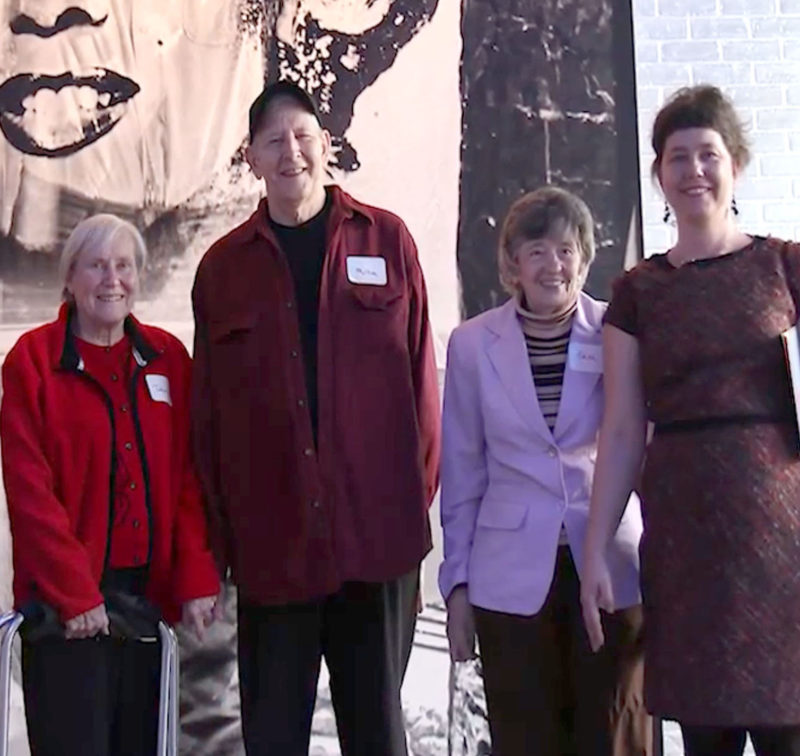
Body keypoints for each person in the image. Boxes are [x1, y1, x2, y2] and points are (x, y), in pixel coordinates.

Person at [191, 79, 441, 756]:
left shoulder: (387, 239)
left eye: (302, 136)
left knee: (378, 736)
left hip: (377, 545)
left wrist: (405, 506)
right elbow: (207, 419)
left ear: (325, 146)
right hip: (273, 547)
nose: (290, 152)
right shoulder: (222, 270)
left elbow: (423, 390)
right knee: (273, 738)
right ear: (252, 158)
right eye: (273, 141)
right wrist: (221, 541)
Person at [581, 84, 800, 756]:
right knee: (703, 734)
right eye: (678, 157)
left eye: (708, 153)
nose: (694, 170)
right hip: (682, 533)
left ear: (734, 163)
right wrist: (594, 547)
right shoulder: (638, 291)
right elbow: (620, 430)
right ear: (659, 174)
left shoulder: (785, 265)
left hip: (782, 534)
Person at [439, 186, 650, 756]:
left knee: (615, 732)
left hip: (609, 563)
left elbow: (643, 450)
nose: (552, 265)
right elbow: (461, 473)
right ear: (513, 263)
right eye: (536, 251)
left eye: (564, 250)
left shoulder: (619, 331)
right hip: (508, 577)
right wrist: (455, 586)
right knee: (527, 735)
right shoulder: (471, 345)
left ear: (584, 257)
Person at [0, 213, 220, 756]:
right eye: (96, 266)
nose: (111, 279)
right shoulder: (32, 361)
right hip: (65, 615)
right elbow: (30, 495)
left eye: (124, 266)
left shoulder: (168, 358)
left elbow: (190, 481)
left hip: (148, 610)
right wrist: (76, 597)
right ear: (70, 277)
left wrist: (195, 577)